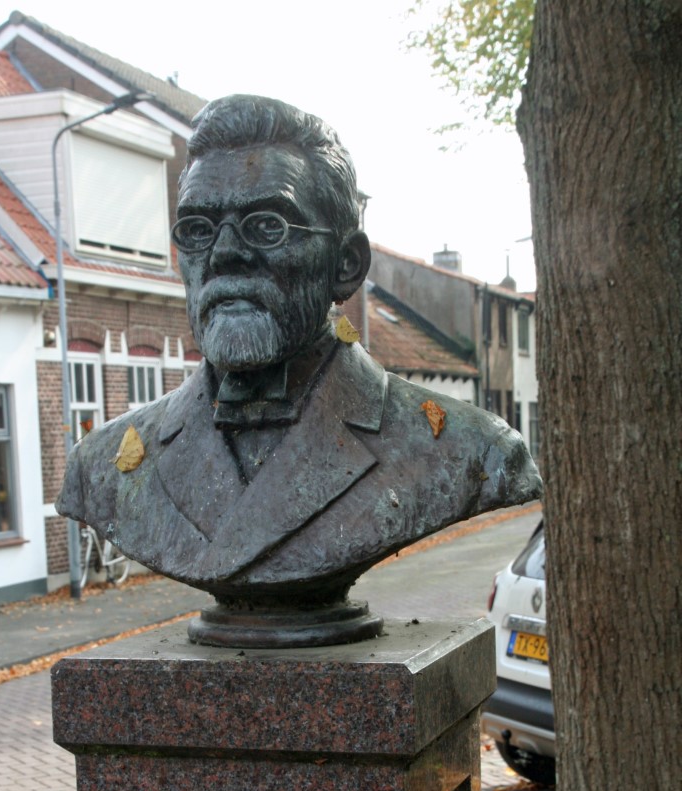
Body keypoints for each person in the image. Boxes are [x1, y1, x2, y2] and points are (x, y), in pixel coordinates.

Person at [57, 94, 541, 645]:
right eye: (197, 229)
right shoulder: (101, 467)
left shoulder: (470, 451)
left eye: (267, 226)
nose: (224, 253)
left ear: (346, 264)